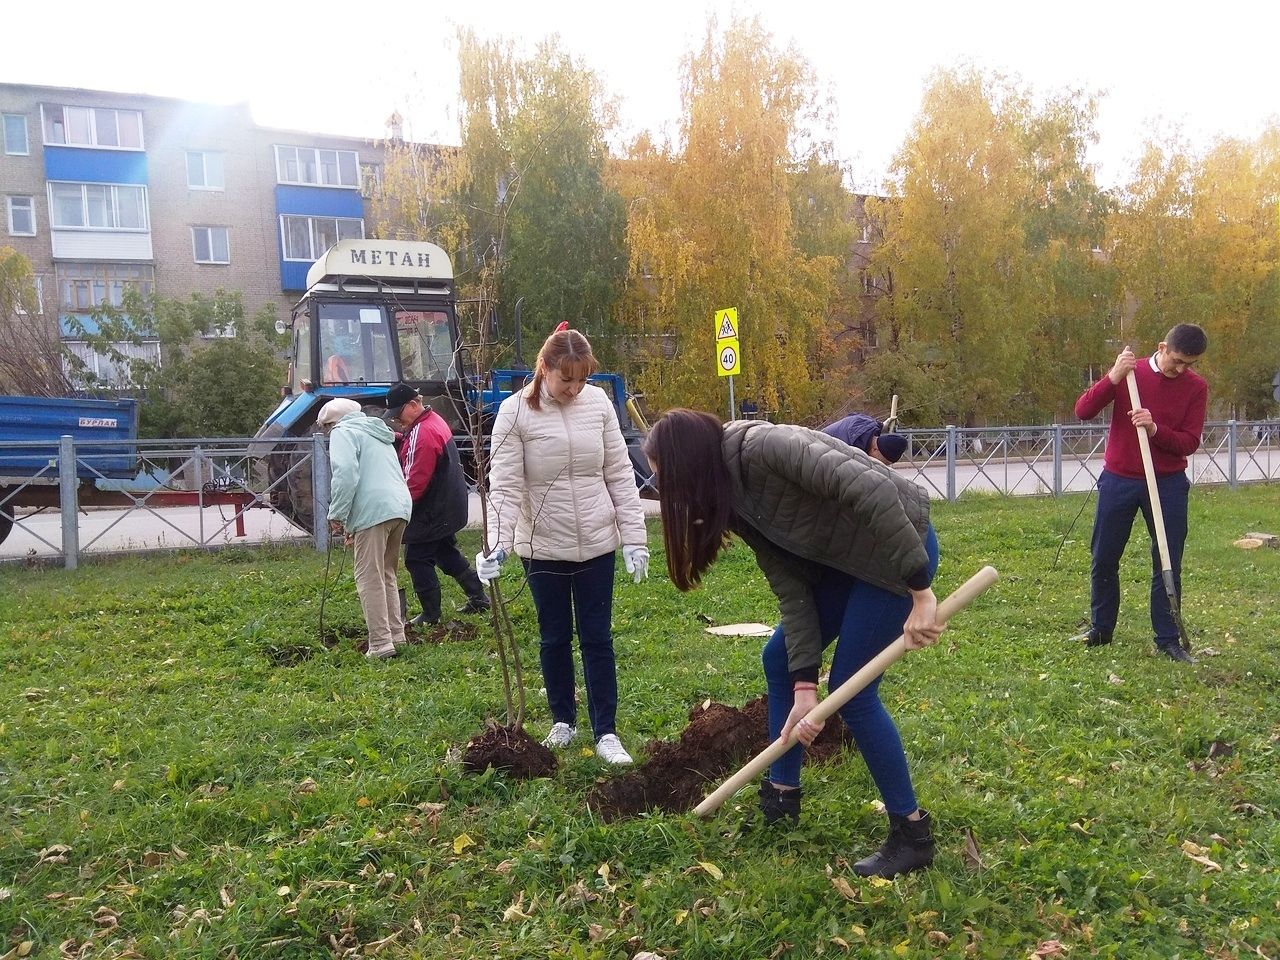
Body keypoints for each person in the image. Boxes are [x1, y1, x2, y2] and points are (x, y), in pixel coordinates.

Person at [644, 408, 944, 878]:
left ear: (689, 464)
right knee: (779, 657)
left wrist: (920, 592)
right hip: (846, 563)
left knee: (854, 691)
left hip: (896, 554)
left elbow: (874, 488)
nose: (666, 492)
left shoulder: (765, 448)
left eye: (667, 478)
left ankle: (911, 832)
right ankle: (782, 795)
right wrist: (804, 687)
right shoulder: (733, 497)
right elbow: (791, 585)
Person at [476, 327, 649, 765]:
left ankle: (606, 732)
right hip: (542, 546)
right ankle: (563, 721)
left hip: (596, 542)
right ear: (545, 369)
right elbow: (507, 487)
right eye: (565, 380)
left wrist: (634, 538)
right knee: (553, 637)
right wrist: (496, 544)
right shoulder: (515, 413)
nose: (574, 389)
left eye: (581, 380)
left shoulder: (599, 405)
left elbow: (619, 475)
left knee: (597, 638)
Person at [1073, 324, 1209, 664]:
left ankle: (1167, 639)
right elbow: (1083, 411)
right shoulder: (1129, 377)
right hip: (1118, 479)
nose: (1181, 369)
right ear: (1162, 347)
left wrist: (1154, 429)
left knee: (1166, 559)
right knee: (1104, 556)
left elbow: (1189, 442)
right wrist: (1113, 376)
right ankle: (1101, 630)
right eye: (1177, 360)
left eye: (1189, 364)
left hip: (1168, 484)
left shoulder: (1196, 388)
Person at [384, 382, 489, 627]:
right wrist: (400, 438)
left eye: (398, 413)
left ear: (413, 405)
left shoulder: (423, 432)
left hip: (431, 509)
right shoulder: (431, 421)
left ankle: (430, 615)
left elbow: (415, 481)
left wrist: (398, 508)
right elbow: (414, 447)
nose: (397, 420)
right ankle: (478, 597)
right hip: (448, 506)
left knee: (417, 559)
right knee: (445, 552)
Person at [317, 398, 413, 660]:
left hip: (375, 510)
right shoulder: (377, 432)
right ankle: (396, 635)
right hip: (399, 507)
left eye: (326, 428)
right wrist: (353, 523)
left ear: (332, 423)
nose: (327, 434)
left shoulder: (343, 432)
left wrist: (337, 514)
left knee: (369, 577)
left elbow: (346, 473)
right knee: (386, 573)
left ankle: (381, 645)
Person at [820, 413, 909, 465]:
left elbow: (853, 415)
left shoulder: (868, 426)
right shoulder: (851, 452)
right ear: (875, 450)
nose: (882, 467)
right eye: (882, 464)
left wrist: (882, 426)